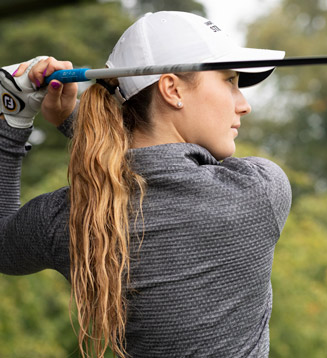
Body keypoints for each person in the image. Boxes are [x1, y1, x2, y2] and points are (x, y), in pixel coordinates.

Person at [0, 11, 291, 358]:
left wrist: (12, 115)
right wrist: (70, 119)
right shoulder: (260, 191)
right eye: (230, 80)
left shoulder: (73, 216)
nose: (243, 105)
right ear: (172, 89)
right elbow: (165, 175)